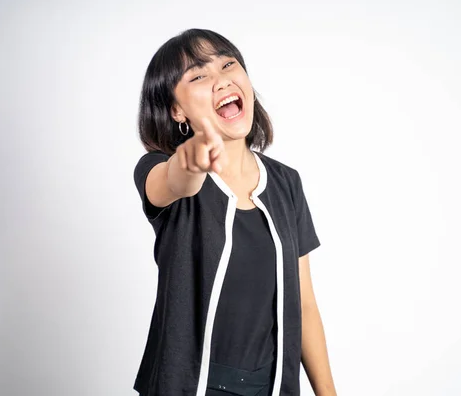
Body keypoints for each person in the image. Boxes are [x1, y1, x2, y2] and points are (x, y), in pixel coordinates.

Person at [133, 28, 336, 396]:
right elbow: (174, 182)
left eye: (228, 64)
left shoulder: (286, 184)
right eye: (198, 75)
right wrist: (190, 160)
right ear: (176, 109)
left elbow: (304, 304)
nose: (221, 79)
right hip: (190, 386)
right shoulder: (158, 169)